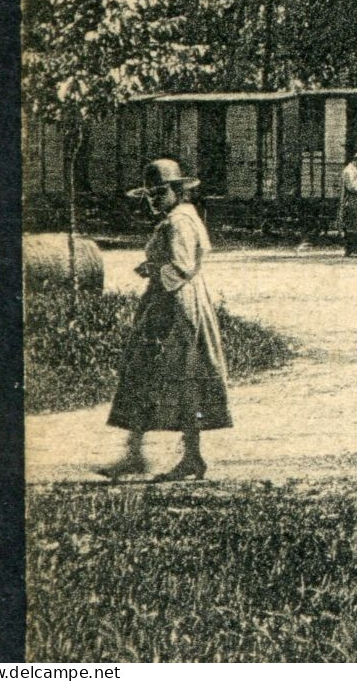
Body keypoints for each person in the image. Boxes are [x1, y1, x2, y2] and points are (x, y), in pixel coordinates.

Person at [97, 158, 231, 482]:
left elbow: (183, 267)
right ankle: (136, 453)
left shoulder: (180, 221)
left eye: (159, 194)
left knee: (181, 377)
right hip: (164, 302)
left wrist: (153, 270)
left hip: (177, 306)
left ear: (176, 191)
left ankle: (190, 456)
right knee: (144, 374)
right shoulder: (176, 217)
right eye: (149, 196)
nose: (153, 201)